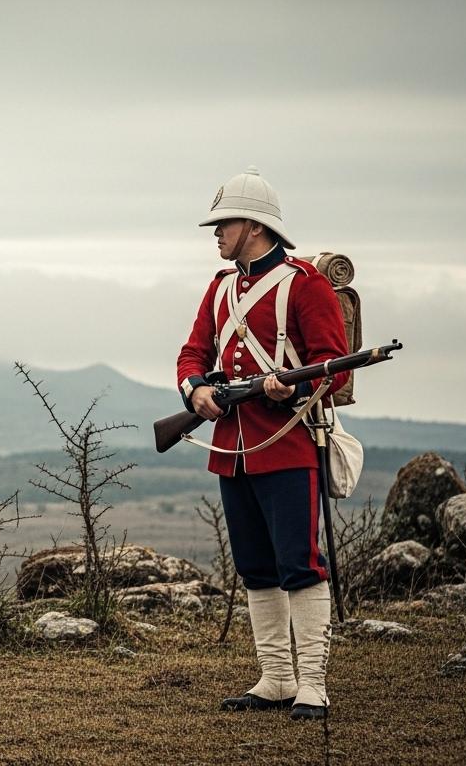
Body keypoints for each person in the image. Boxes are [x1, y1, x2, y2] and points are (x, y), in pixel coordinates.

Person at [174, 167, 349, 721]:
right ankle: (276, 678)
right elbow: (192, 354)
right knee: (254, 566)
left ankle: (313, 686)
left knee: (299, 564)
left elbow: (334, 371)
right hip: (233, 447)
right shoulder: (221, 286)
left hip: (289, 444)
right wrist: (197, 390)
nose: (216, 233)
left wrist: (284, 389)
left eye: (223, 223)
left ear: (251, 224)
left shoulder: (304, 284)